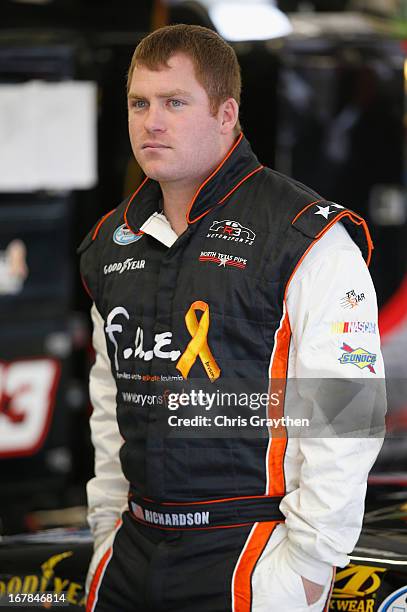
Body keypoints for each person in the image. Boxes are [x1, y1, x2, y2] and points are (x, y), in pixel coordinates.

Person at [79, 24, 385, 612]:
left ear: (226, 114)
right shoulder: (110, 243)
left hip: (254, 557)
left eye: (175, 102)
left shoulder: (306, 237)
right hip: (129, 553)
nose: (152, 122)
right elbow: (107, 403)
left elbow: (349, 408)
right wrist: (103, 530)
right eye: (139, 103)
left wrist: (310, 566)